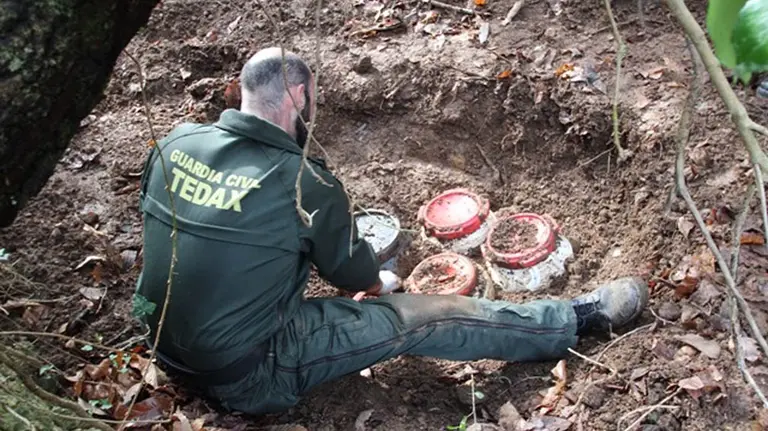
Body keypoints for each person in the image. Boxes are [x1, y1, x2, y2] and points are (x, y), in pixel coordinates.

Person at [135, 47, 650, 415]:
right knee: (418, 319)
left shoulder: (174, 144)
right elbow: (352, 274)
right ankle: (573, 319)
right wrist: (382, 286)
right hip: (248, 374)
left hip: (168, 352)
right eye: (313, 97)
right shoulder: (301, 182)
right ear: (298, 95)